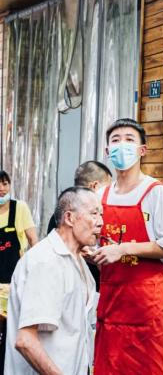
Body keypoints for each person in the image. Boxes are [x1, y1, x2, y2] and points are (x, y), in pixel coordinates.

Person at [92, 118, 163, 375]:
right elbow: (94, 241)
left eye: (129, 139)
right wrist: (91, 253)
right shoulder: (100, 196)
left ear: (142, 150)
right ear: (107, 150)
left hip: (147, 308)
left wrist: (123, 249)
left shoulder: (156, 193)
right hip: (111, 303)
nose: (122, 145)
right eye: (115, 140)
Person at [5, 186, 102, 375]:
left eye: (101, 215)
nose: (101, 222)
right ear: (69, 218)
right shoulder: (46, 261)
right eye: (94, 214)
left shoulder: (79, 262)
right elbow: (26, 341)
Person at [47, 160, 112, 233]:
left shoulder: (58, 215)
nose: (108, 194)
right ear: (94, 186)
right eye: (106, 189)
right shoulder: (89, 221)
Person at [0, 171, 38, 285]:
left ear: (10, 185)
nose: (1, 189)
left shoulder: (20, 208)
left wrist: (36, 267)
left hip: (15, 279)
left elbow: (33, 240)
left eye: (5, 184)